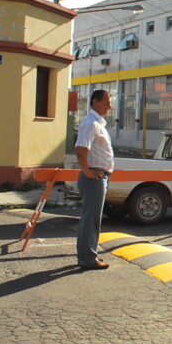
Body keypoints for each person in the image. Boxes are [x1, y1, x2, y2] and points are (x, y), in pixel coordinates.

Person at [74, 89, 114, 270]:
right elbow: (81, 149)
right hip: (94, 177)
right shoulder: (91, 123)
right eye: (106, 102)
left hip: (98, 176)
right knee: (91, 219)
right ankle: (88, 258)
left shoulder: (98, 123)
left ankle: (87, 255)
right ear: (95, 102)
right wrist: (88, 172)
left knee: (91, 218)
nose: (109, 106)